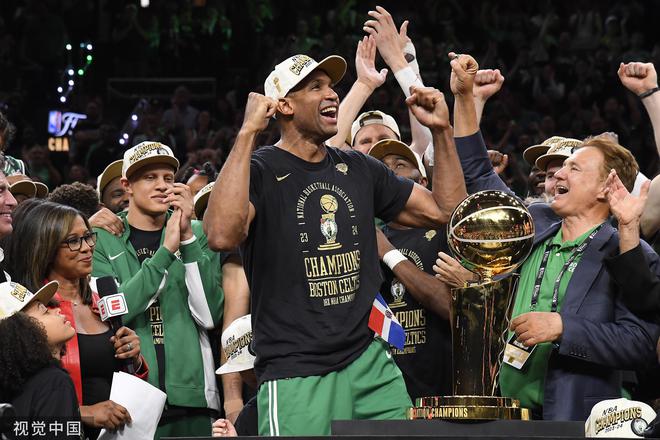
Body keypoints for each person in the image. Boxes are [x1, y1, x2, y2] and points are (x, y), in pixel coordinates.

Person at [204, 51, 467, 435]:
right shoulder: (260, 170)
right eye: (316, 87)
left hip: (369, 361)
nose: (331, 94)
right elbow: (221, 235)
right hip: (296, 370)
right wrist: (247, 133)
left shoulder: (359, 167)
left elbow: (446, 210)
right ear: (284, 105)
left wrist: (442, 131)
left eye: (331, 86)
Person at [448, 52, 660, 421]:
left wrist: (563, 328)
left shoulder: (629, 253)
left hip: (578, 418)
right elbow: (478, 172)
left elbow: (639, 345)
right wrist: (465, 98)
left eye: (574, 168)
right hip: (510, 413)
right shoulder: (533, 223)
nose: (558, 174)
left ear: (606, 187)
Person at [92, 141, 223, 439]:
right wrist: (165, 253)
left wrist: (186, 238)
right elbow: (113, 314)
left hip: (194, 398)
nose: (162, 185)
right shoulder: (102, 238)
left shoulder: (198, 233)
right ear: (127, 186)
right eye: (149, 177)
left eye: (167, 177)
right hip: (130, 402)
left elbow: (209, 315)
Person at [4, 200, 147, 437]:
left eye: (88, 237)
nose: (87, 248)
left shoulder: (102, 302)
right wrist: (84, 413)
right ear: (47, 248)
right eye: (73, 241)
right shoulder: (31, 311)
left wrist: (135, 359)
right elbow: (22, 397)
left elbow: (119, 374)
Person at [368, 138, 453, 400]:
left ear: (423, 183)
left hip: (440, 393)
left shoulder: (444, 235)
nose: (388, 171)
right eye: (381, 167)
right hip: (381, 393)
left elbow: (453, 308)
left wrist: (389, 254)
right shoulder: (364, 239)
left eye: (400, 164)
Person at [0, 279, 84, 433]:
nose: (56, 310)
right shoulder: (54, 383)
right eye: (44, 311)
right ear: (20, 332)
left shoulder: (13, 388)